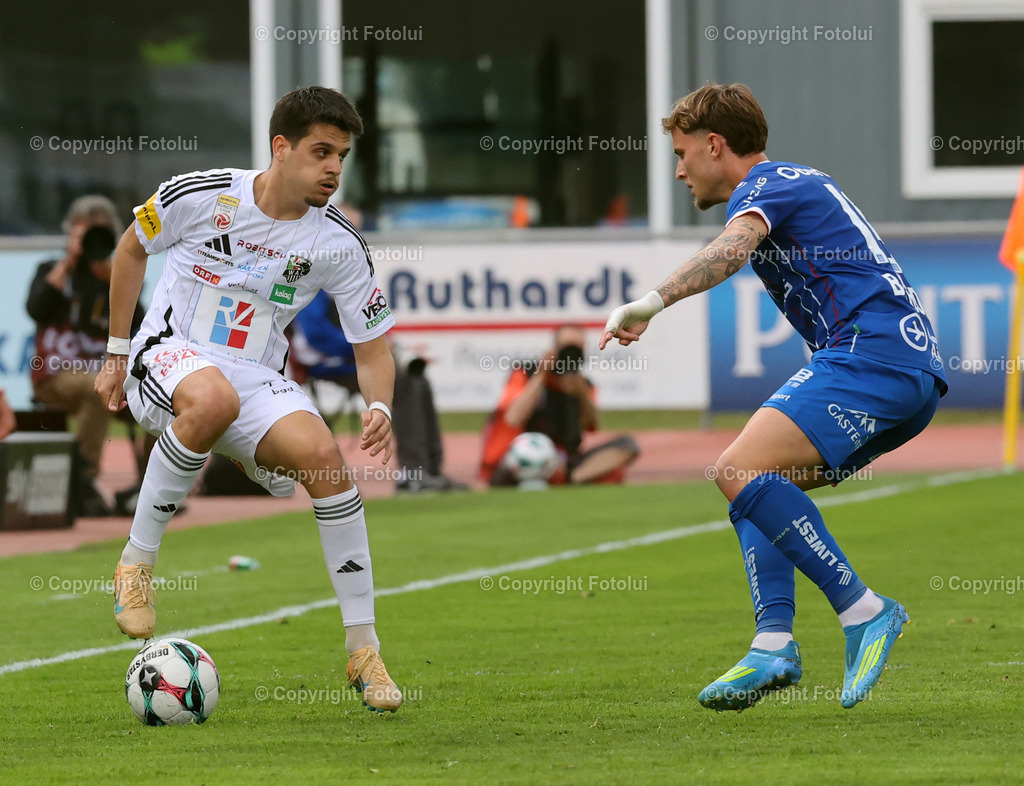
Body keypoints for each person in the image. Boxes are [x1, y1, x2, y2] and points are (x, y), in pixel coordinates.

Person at [600, 83, 947, 712]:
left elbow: (731, 251)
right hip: (902, 370)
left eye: (682, 154)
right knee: (755, 485)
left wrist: (650, 302)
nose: (679, 171)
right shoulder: (795, 183)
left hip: (876, 357)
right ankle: (772, 644)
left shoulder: (769, 184)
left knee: (735, 468)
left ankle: (864, 611)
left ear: (715, 145)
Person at [94, 86, 403, 713]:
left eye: (342, 156)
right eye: (321, 152)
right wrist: (116, 351)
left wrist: (381, 407)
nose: (333, 169)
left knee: (326, 464)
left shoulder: (339, 243)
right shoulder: (202, 194)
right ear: (280, 148)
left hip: (255, 375)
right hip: (170, 352)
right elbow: (129, 249)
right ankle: (136, 564)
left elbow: (372, 348)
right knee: (211, 403)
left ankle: (363, 649)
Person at [27, 198, 144, 515]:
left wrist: (115, 281)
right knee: (99, 387)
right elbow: (35, 308)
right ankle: (83, 483)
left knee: (155, 398)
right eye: (84, 234)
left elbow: (142, 324)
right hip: (55, 374)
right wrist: (68, 262)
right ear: (71, 235)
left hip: (105, 374)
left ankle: (149, 489)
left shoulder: (117, 274)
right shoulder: (51, 270)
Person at [481, 325, 639, 486]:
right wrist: (541, 375)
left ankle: (571, 478)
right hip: (525, 455)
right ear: (554, 349)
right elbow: (513, 418)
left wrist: (581, 394)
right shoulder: (527, 373)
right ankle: (564, 479)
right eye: (566, 347)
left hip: (562, 461)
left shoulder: (583, 384)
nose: (570, 354)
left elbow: (591, 426)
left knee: (627, 445)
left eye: (577, 348)